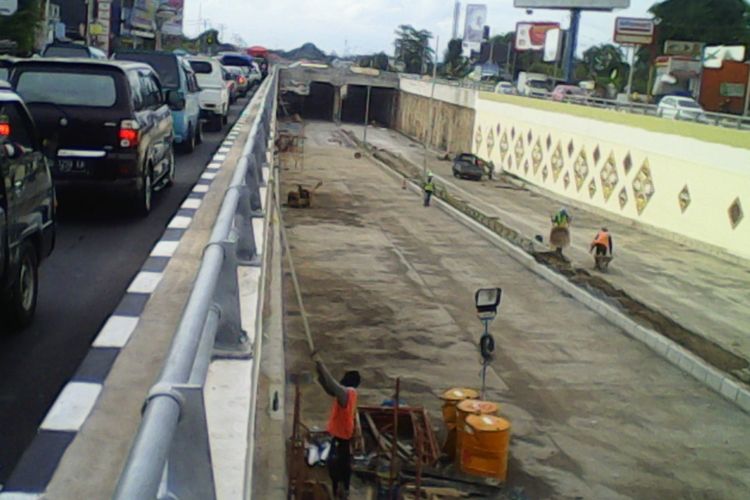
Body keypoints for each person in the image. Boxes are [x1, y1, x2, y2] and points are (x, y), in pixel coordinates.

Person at [314, 355, 361, 499]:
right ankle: (343, 490)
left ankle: (337, 492)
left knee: (336, 467)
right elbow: (329, 388)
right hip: (343, 436)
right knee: (343, 467)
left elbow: (332, 384)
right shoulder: (350, 394)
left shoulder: (345, 393)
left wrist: (320, 364)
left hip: (341, 438)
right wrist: (319, 371)